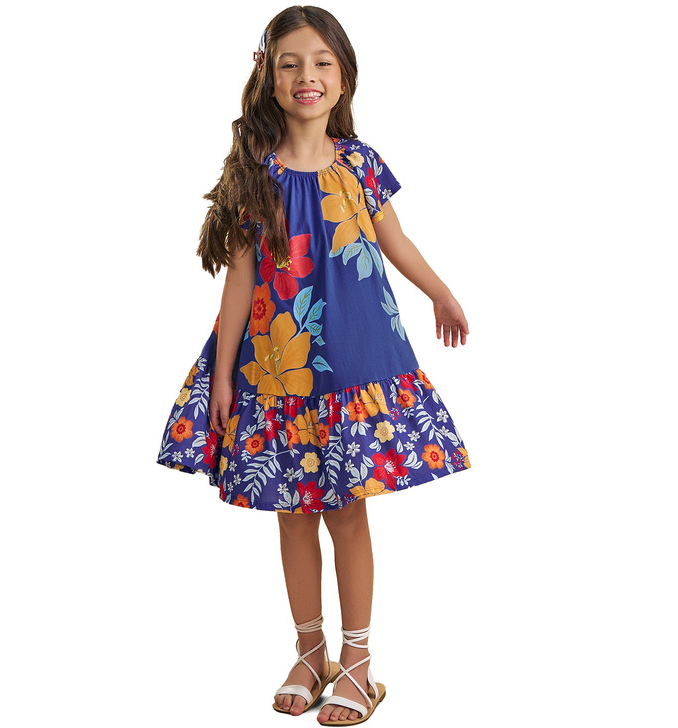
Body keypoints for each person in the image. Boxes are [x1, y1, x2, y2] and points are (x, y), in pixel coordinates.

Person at [156, 5, 472, 724]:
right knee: (293, 516)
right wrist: (224, 374)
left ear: (344, 77)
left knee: (346, 510)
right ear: (268, 77)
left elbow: (394, 241)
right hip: (277, 367)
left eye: (322, 62)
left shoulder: (359, 163)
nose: (308, 75)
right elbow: (240, 279)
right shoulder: (252, 176)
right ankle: (309, 651)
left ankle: (358, 662)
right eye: (291, 63)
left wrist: (441, 293)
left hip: (354, 363)